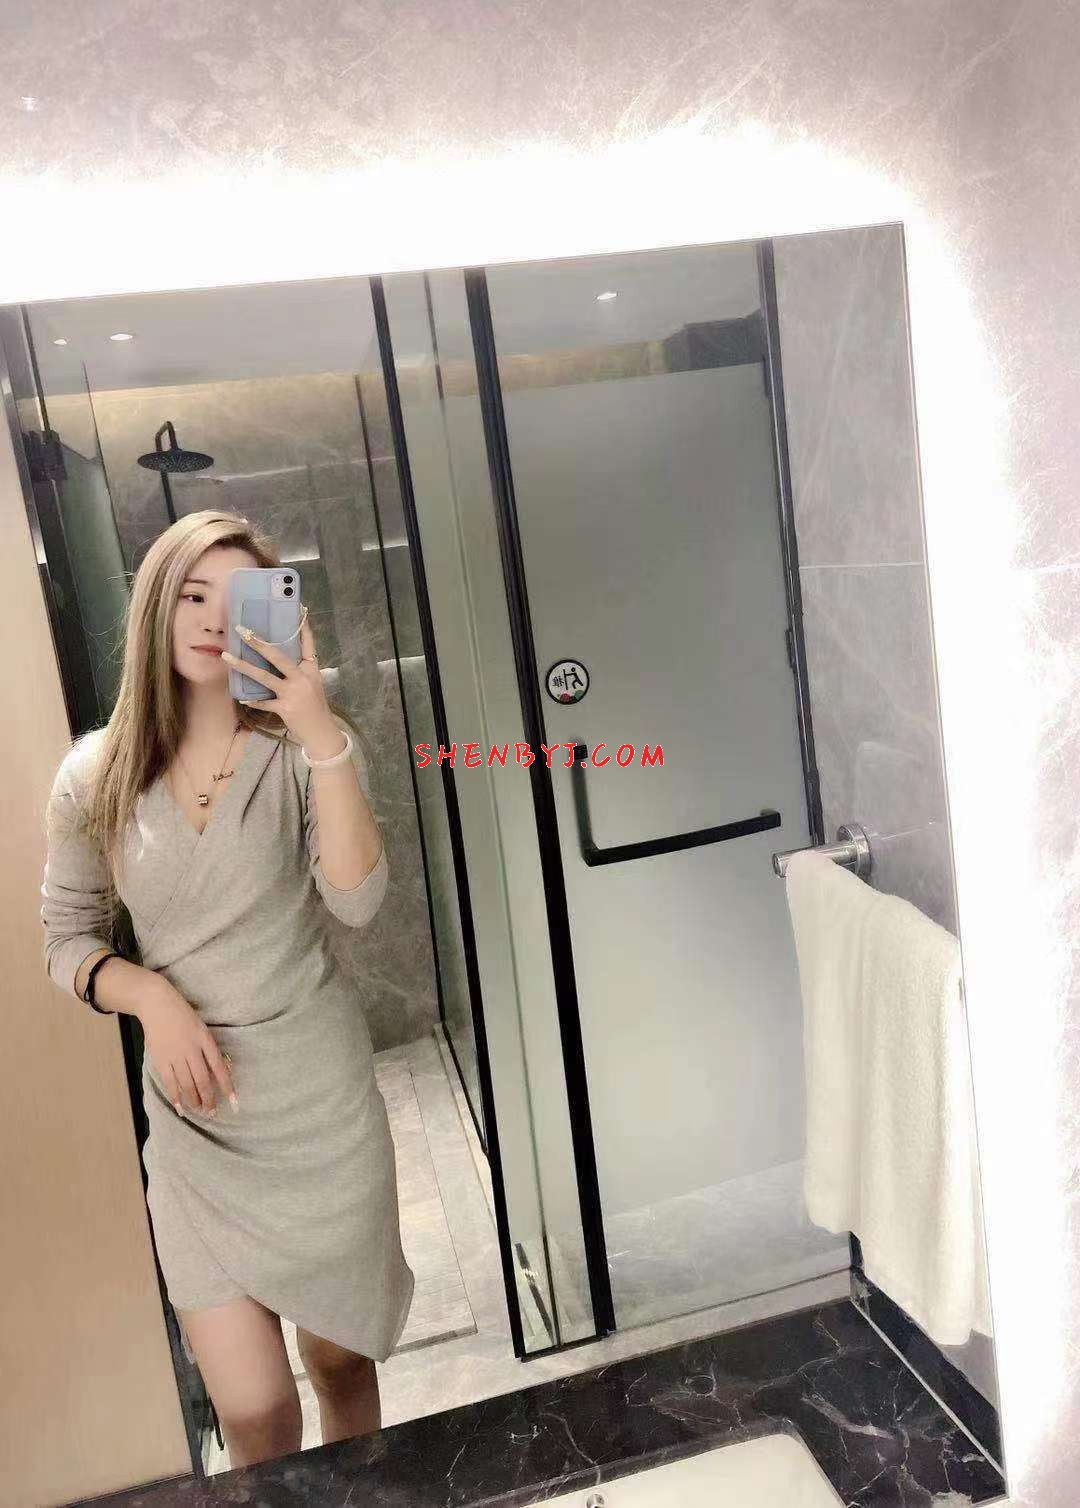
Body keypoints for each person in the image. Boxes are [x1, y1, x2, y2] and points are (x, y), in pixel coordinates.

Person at [38, 510, 415, 1467]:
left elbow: (358, 901)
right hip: (197, 1121)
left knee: (339, 1363)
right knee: (253, 1412)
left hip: (319, 1108)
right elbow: (66, 939)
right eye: (191, 594)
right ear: (156, 607)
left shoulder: (303, 753)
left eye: (239, 598)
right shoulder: (94, 774)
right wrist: (151, 997)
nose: (212, 619)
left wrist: (320, 732)